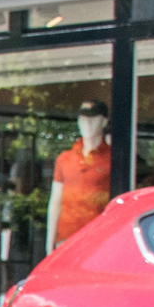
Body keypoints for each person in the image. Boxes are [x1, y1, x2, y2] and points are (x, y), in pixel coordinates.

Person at [48, 100, 113, 248]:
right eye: (83, 119)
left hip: (98, 239)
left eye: (92, 119)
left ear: (103, 122)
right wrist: (49, 244)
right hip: (66, 239)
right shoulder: (65, 158)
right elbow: (55, 201)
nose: (87, 124)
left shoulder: (112, 159)